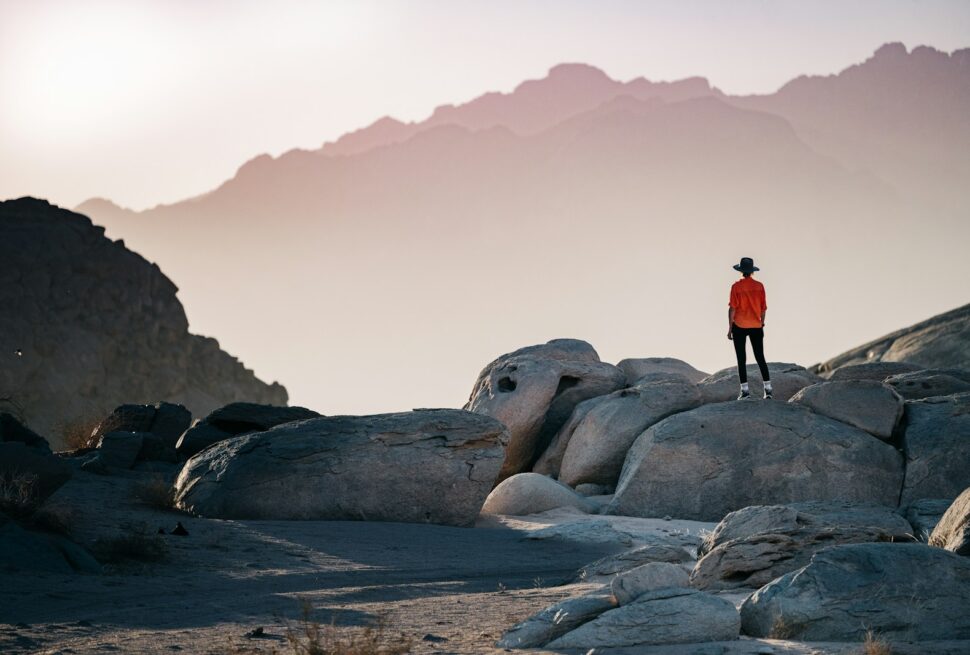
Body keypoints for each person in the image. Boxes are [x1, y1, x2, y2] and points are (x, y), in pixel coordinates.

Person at [727, 257, 772, 400]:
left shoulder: (736, 287)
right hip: (756, 325)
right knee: (760, 357)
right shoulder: (759, 286)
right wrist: (762, 323)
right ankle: (768, 389)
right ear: (752, 271)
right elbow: (763, 309)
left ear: (741, 271)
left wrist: (729, 328)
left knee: (741, 359)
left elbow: (732, 309)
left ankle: (745, 391)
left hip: (739, 326)